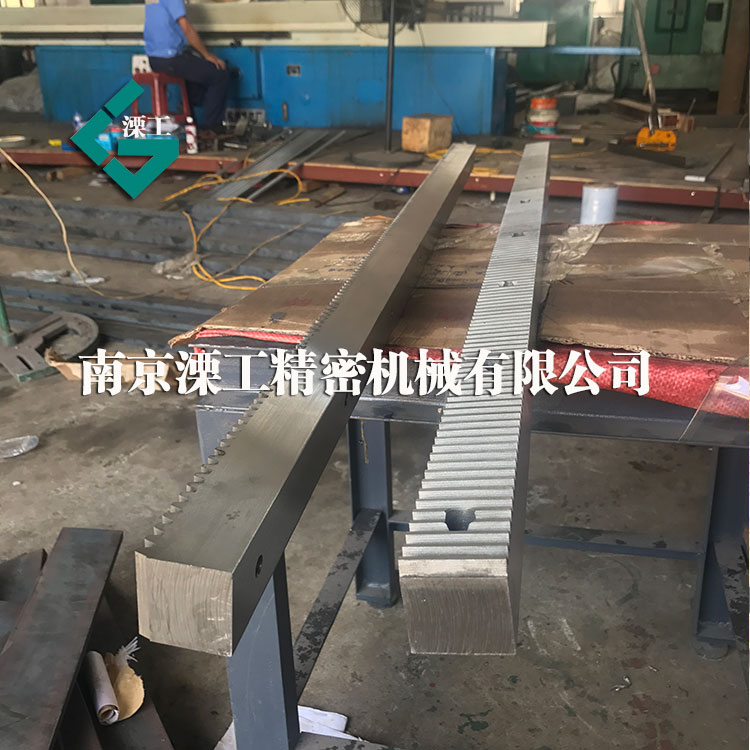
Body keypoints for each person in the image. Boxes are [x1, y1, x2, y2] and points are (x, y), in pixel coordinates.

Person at [143, 0, 230, 133]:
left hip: (154, 60)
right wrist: (207, 55)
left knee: (192, 79)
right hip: (171, 58)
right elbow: (186, 28)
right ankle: (212, 129)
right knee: (219, 74)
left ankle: (191, 126)